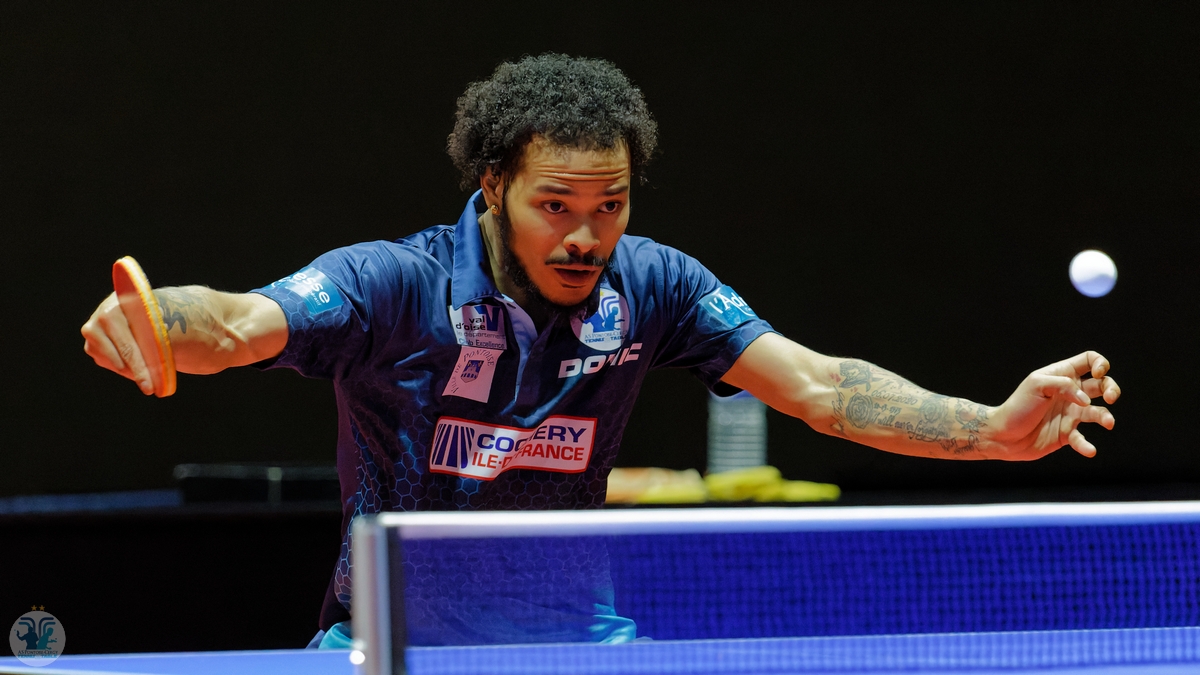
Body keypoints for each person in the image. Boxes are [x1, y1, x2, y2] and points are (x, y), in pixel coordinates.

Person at [81, 54, 1120, 648]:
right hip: (390, 648)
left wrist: (991, 429)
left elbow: (819, 387)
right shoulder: (396, 282)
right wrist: (152, 320)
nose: (586, 236)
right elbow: (237, 323)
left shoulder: (655, 284)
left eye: (611, 205)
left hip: (579, 648)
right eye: (557, 206)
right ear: (493, 186)